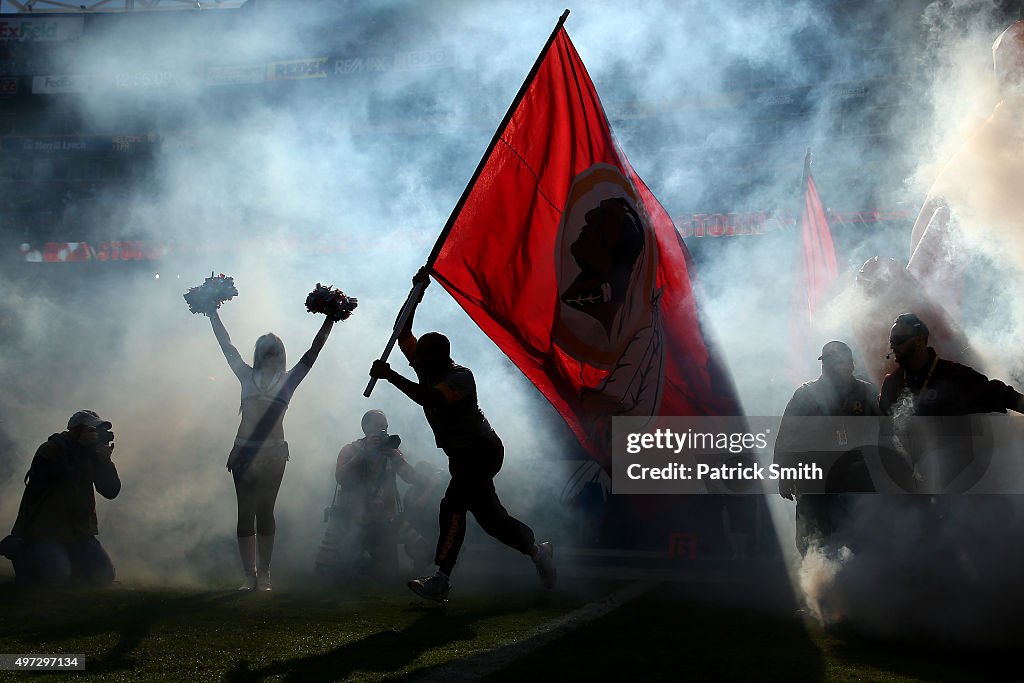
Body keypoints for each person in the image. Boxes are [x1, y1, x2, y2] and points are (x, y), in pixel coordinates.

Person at [368, 269, 556, 602]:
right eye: (418, 358)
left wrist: (391, 376)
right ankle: (538, 552)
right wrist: (416, 292)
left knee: (452, 503)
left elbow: (433, 399)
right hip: (460, 455)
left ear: (439, 357)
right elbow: (403, 334)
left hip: (482, 451)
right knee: (491, 520)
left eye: (423, 358)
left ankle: (441, 577)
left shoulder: (459, 377)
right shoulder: (427, 367)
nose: (418, 363)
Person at [209, 307, 334, 591]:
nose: (269, 354)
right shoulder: (245, 375)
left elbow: (313, 353)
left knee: (265, 511)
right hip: (243, 452)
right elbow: (226, 346)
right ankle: (248, 575)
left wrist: (331, 318)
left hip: (274, 453)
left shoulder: (289, 380)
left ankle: (264, 574)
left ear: (281, 353)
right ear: (258, 352)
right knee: (244, 513)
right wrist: (212, 314)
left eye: (274, 349)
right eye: (265, 349)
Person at [879, 313, 1024, 492]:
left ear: (918, 340)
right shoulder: (892, 383)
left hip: (961, 483)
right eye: (891, 339)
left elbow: (998, 393)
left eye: (898, 339)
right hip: (916, 487)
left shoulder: (953, 375)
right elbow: (885, 434)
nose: (892, 345)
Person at [775, 341, 879, 555]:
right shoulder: (806, 394)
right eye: (827, 363)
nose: (830, 367)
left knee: (858, 541)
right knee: (812, 540)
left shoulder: (866, 393)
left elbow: (884, 433)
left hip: (855, 481)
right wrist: (784, 475)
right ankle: (818, 581)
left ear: (851, 364)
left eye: (837, 362)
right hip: (815, 481)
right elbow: (787, 436)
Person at [1, 410, 121, 586]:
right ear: (75, 430)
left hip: (79, 532)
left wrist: (105, 463)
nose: (96, 435)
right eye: (92, 430)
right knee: (55, 577)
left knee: (104, 576)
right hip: (45, 531)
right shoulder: (52, 449)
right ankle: (25, 554)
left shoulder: (93, 454)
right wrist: (80, 452)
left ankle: (68, 563)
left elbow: (111, 491)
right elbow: (38, 486)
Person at [334, 409, 420, 577]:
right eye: (378, 427)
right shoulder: (350, 450)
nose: (383, 432)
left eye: (385, 427)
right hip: (352, 519)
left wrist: (396, 458)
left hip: (384, 521)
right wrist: (362, 456)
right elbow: (340, 478)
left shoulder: (391, 453)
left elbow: (412, 478)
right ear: (365, 428)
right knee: (343, 571)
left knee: (387, 574)